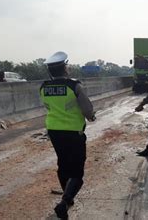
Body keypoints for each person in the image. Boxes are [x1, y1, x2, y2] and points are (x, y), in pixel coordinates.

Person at [40, 51, 96, 219]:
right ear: (64, 68)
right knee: (77, 172)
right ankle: (64, 203)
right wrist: (91, 116)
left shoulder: (44, 87)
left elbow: (49, 107)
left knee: (63, 164)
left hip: (54, 131)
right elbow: (87, 109)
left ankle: (68, 197)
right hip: (73, 132)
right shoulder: (74, 86)